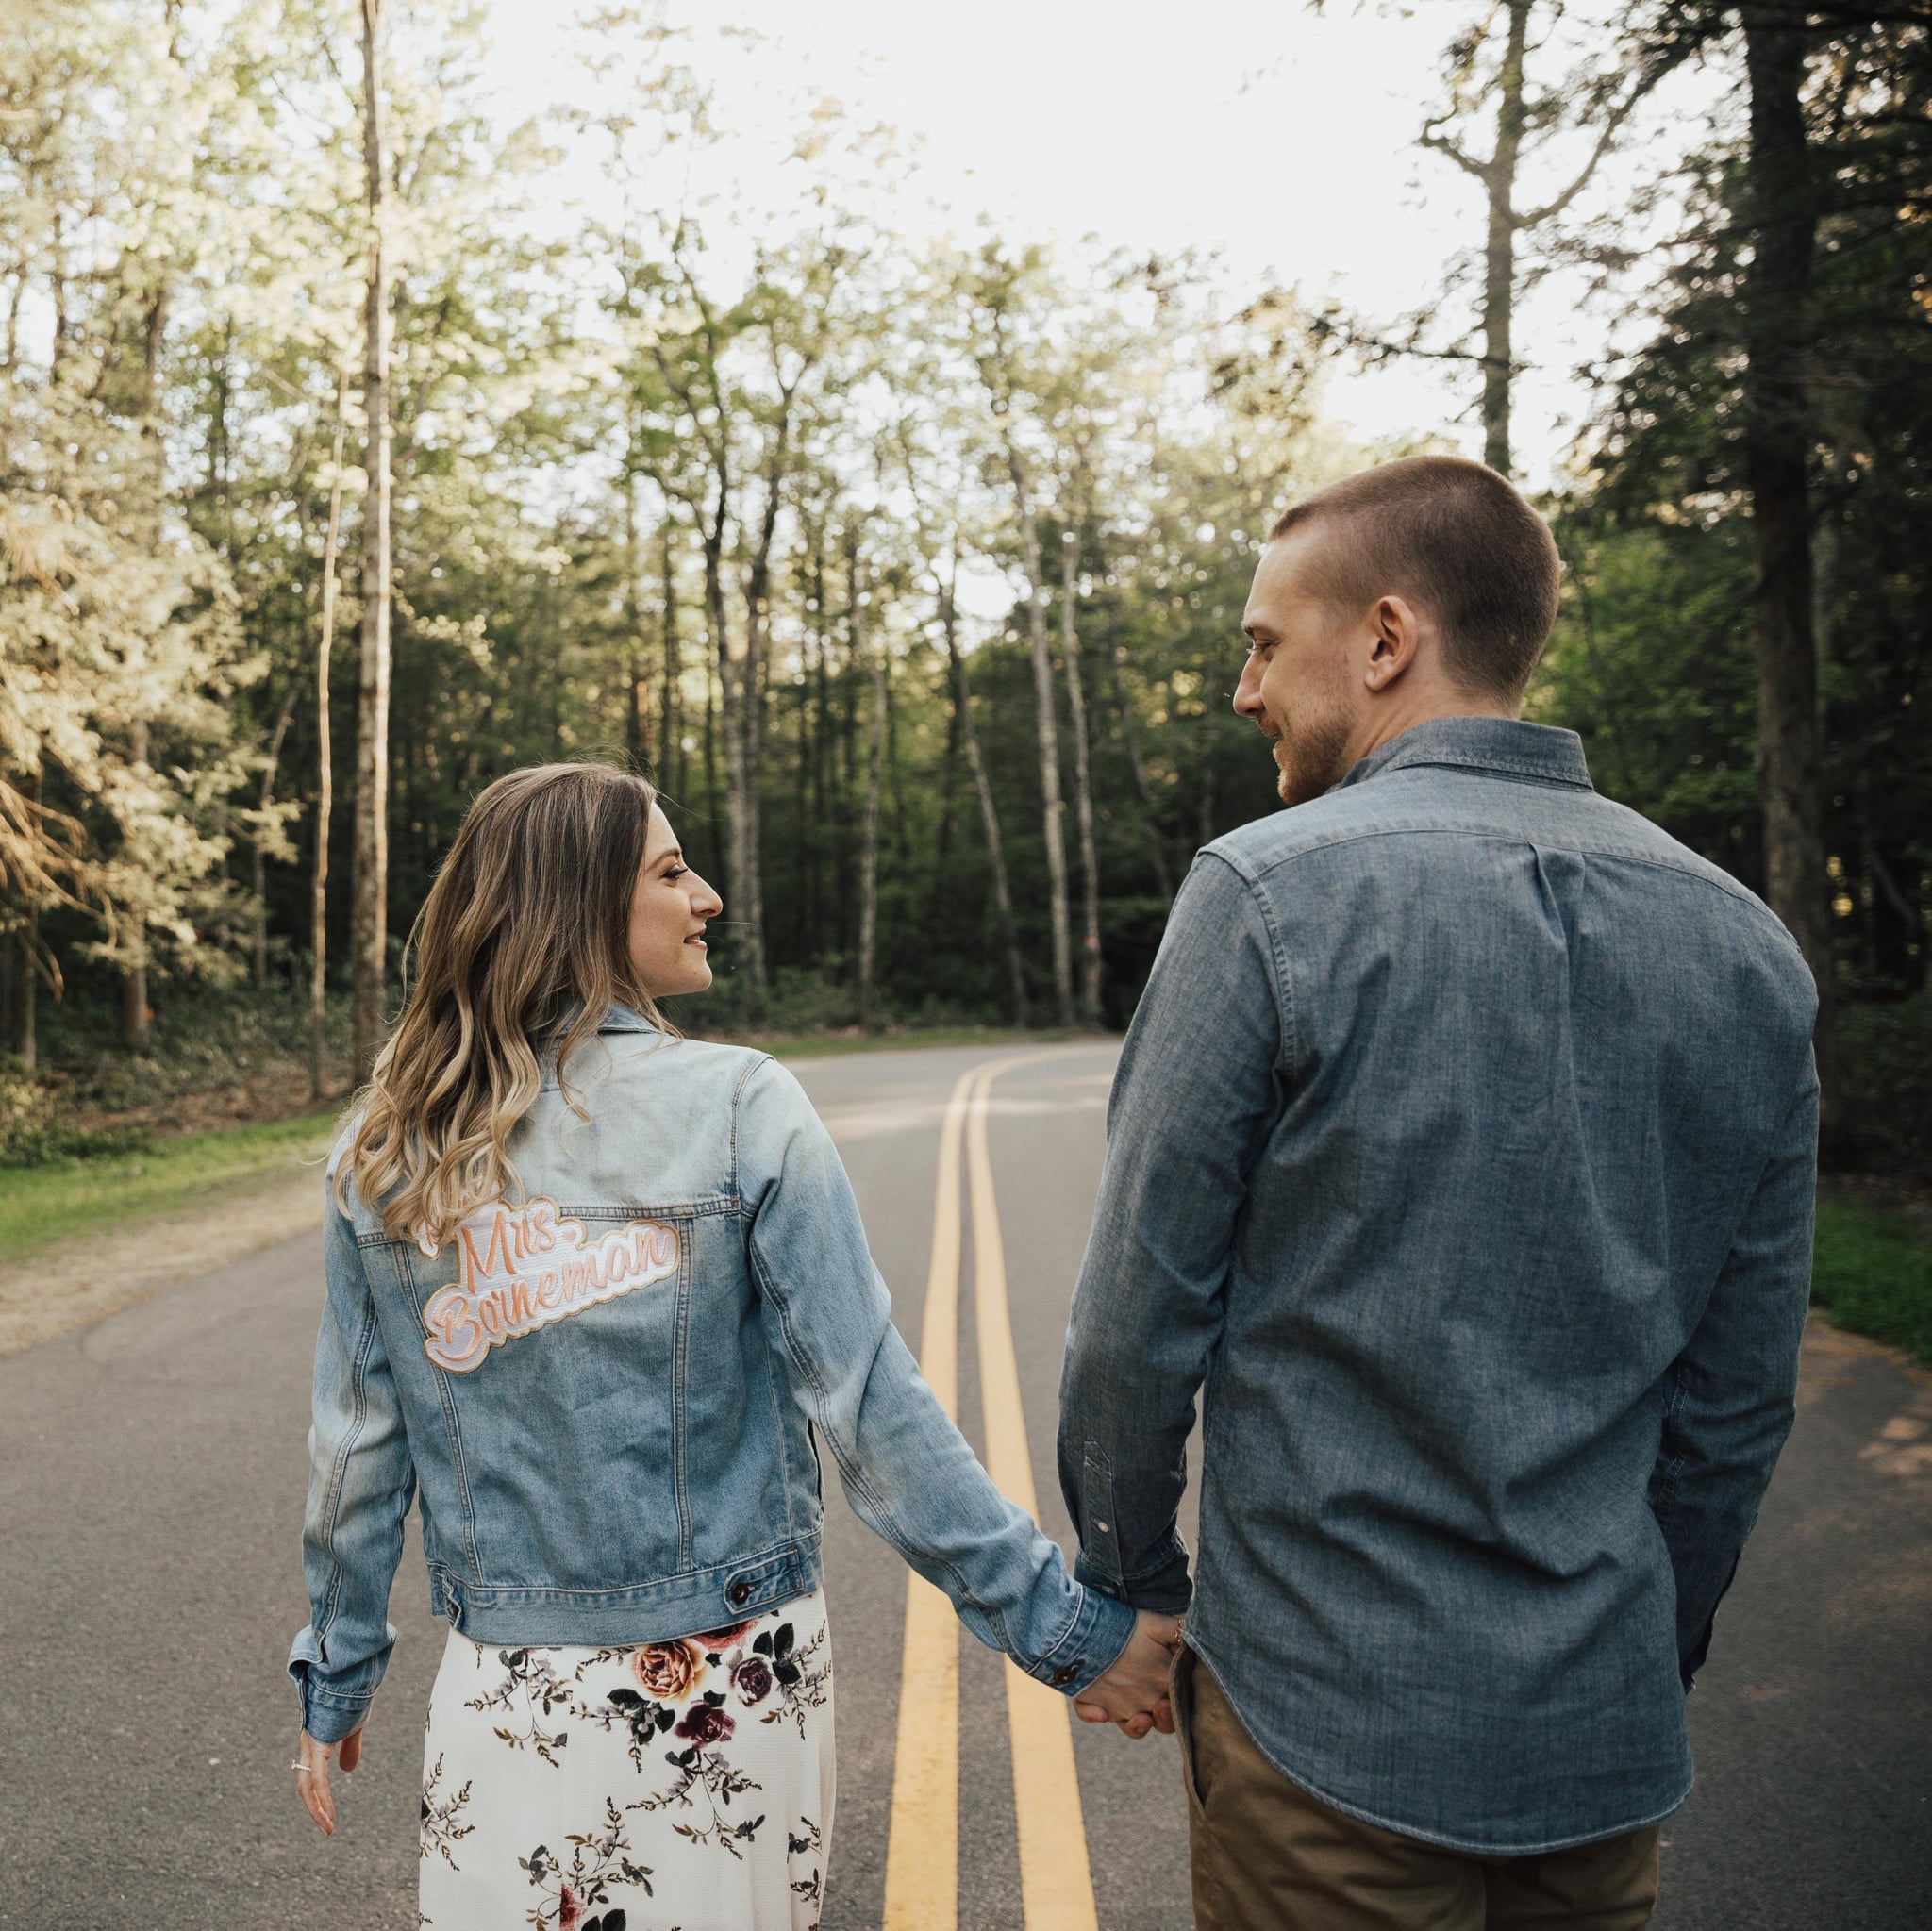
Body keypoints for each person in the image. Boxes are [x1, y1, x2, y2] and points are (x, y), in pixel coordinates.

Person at [1057, 456, 1819, 1930]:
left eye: (1265, 641)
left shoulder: (1265, 895)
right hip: (1598, 1752)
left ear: (1388, 639)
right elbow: (1735, 1400)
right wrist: (1638, 1648)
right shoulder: (1748, 949)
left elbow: (1130, 1328)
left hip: (1322, 1734)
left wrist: (1133, 1584)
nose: (1242, 687)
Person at [289, 761, 1177, 1930]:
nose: (704, 895)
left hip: (510, 1697)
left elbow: (357, 1456)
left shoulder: (388, 1146)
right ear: (580, 908)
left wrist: (339, 1671)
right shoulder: (741, 1107)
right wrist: (1062, 1631)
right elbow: (867, 1407)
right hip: (725, 1683)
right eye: (669, 871)